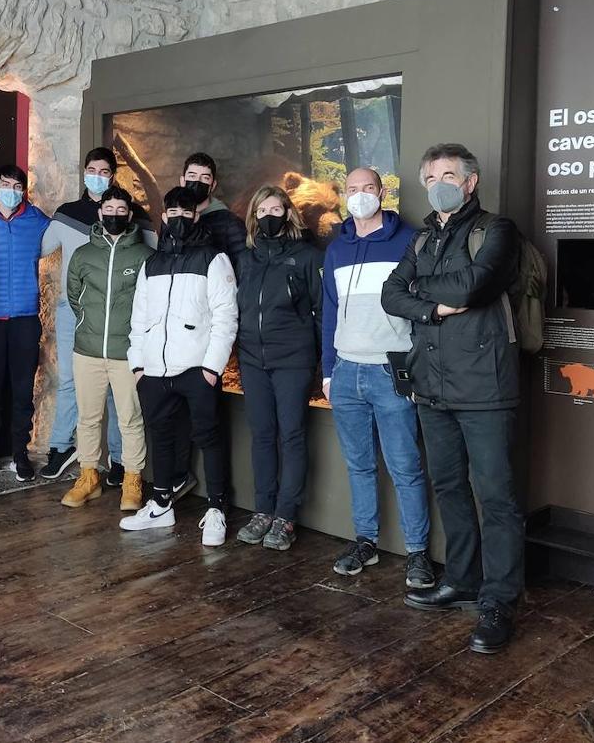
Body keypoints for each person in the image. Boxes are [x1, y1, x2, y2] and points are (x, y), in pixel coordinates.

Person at [381, 143, 524, 655]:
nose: (439, 181)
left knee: (497, 497)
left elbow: (475, 285)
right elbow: (390, 294)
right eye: (431, 175)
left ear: (470, 182)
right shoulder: (422, 238)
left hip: (485, 386)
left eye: (449, 174)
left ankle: (499, 599)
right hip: (431, 386)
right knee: (449, 488)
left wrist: (427, 291)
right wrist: (434, 309)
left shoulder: (497, 230)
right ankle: (462, 579)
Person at [321, 167, 435, 586]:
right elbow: (329, 313)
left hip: (392, 369)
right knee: (359, 465)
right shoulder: (336, 248)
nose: (360, 195)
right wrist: (328, 371)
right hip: (347, 369)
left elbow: (424, 305)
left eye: (367, 188)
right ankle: (365, 540)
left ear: (382, 192)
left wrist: (416, 366)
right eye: (352, 190)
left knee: (405, 466)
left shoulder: (408, 241)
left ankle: (418, 553)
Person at [121, 186, 238, 545]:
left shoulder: (213, 258)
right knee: (161, 435)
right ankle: (160, 503)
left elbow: (226, 317)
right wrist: (138, 364)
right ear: (165, 215)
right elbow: (138, 318)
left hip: (196, 368)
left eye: (186, 212)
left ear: (196, 216)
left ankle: (217, 508)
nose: (179, 218)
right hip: (154, 370)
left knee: (209, 437)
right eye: (173, 212)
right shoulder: (151, 263)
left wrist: (211, 367)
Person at [39, 148, 154, 484]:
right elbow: (40, 247)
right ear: (85, 172)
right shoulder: (66, 214)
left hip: (120, 316)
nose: (97, 176)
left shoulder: (134, 215)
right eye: (92, 170)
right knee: (70, 381)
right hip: (72, 310)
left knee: (120, 390)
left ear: (112, 175)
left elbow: (153, 258)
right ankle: (63, 445)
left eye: (104, 171)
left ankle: (119, 459)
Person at [232, 186, 323, 551]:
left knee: (292, 435)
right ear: (254, 216)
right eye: (262, 208)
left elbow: (321, 311)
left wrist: (316, 361)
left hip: (293, 360)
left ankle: (286, 516)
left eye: (276, 208)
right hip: (253, 360)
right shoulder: (246, 258)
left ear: (288, 213)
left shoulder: (307, 256)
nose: (269, 214)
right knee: (262, 435)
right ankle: (263, 510)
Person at [59, 186, 152, 511]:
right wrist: (88, 321)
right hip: (87, 350)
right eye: (108, 209)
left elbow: (150, 303)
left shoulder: (142, 256)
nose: (114, 215)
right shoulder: (84, 254)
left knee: (130, 418)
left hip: (127, 353)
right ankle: (89, 478)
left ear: (128, 215)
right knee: (88, 418)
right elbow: (74, 296)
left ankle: (132, 480)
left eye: (120, 210)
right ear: (100, 213)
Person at [0, 164, 58, 483]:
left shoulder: (37, 221)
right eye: (5, 184)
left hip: (25, 319)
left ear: (24, 190)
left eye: (17, 186)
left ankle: (20, 454)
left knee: (22, 392)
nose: (12, 190)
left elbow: (67, 233)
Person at [183, 152, 247, 261]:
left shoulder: (230, 223)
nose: (197, 182)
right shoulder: (174, 219)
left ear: (213, 185)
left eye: (205, 178)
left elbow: (243, 265)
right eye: (192, 176)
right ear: (182, 181)